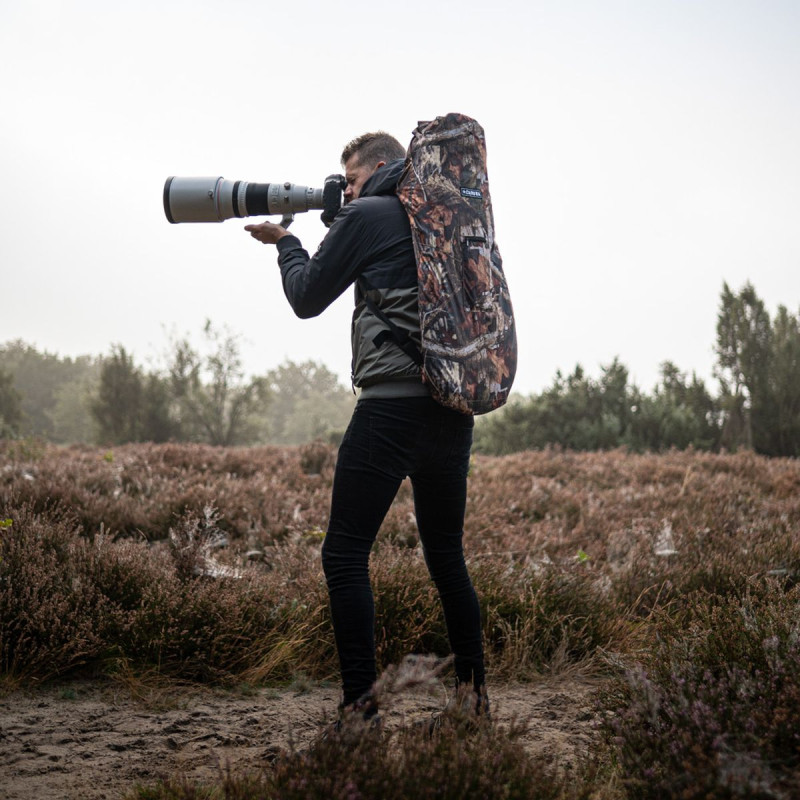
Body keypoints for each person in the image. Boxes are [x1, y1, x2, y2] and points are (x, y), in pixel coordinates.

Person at [245, 131, 487, 723]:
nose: (344, 192)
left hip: (389, 410)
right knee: (447, 558)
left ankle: (361, 712)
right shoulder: (442, 219)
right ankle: (473, 702)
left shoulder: (369, 214)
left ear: (378, 168)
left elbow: (306, 297)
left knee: (345, 555)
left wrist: (288, 243)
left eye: (349, 181)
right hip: (451, 410)